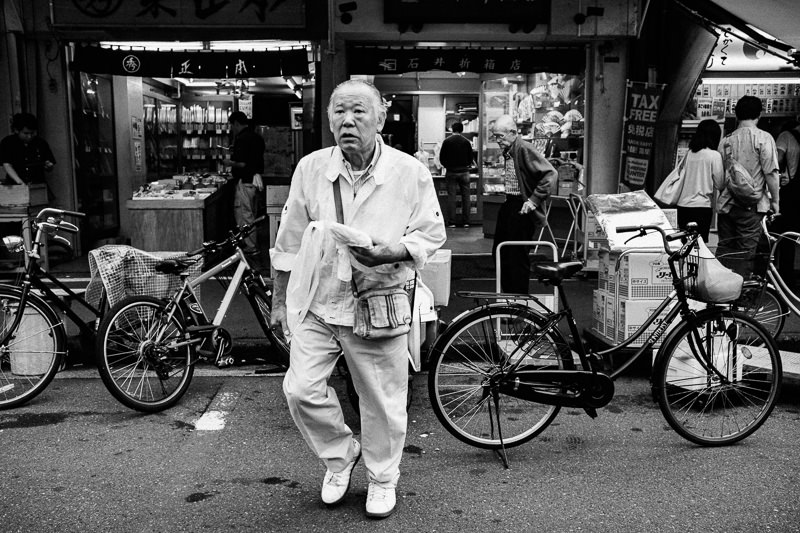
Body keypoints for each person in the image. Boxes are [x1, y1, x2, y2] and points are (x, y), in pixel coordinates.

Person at [269, 79, 446, 519]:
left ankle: (383, 478)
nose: (348, 120)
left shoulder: (409, 172)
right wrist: (277, 301)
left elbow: (431, 234)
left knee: (382, 401)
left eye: (359, 111)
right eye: (339, 111)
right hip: (319, 298)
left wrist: (393, 251)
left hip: (379, 299)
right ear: (328, 119)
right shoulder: (310, 169)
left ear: (380, 118)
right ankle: (340, 456)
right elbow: (287, 243)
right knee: (301, 389)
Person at [715, 95, 780, 279]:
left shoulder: (725, 141)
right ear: (759, 114)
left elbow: (720, 181)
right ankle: (740, 299)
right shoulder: (764, 138)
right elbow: (771, 173)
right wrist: (775, 201)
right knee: (746, 254)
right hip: (752, 206)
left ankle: (721, 297)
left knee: (726, 252)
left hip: (727, 205)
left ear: (736, 114)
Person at [489, 114, 556, 294]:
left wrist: (534, 200)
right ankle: (508, 297)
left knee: (516, 257)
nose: (497, 141)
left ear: (512, 132)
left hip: (521, 207)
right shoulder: (510, 150)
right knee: (500, 252)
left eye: (500, 136)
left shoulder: (524, 148)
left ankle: (518, 303)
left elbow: (550, 174)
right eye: (495, 136)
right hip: (509, 204)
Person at [674, 118, 723, 242]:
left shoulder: (689, 154)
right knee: (699, 246)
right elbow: (720, 183)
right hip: (702, 207)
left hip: (683, 207)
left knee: (684, 245)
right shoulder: (714, 155)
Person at [223, 111, 265, 254]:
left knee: (244, 215)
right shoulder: (257, 137)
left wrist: (229, 162)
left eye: (232, 125)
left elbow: (242, 164)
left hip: (245, 181)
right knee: (251, 214)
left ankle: (250, 246)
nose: (232, 129)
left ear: (236, 123)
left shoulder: (242, 139)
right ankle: (252, 244)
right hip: (255, 181)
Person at [775, 118, 800, 285]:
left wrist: (781, 176)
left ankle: (785, 279)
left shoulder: (786, 137)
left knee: (788, 238)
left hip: (793, 194)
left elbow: (775, 163)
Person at [0, 112, 55, 185]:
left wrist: (49, 166)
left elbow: (49, 165)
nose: (29, 136)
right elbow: (7, 164)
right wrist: (19, 182)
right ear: (16, 130)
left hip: (37, 183)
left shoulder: (41, 143)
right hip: (15, 184)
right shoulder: (8, 142)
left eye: (32, 133)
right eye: (26, 133)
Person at [438, 121, 474, 228]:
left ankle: (452, 222)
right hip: (464, 172)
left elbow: (442, 158)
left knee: (451, 197)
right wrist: (466, 164)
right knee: (466, 197)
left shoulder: (447, 142)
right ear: (462, 130)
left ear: (452, 129)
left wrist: (447, 165)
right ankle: (466, 221)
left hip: (451, 172)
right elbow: (471, 158)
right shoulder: (466, 142)